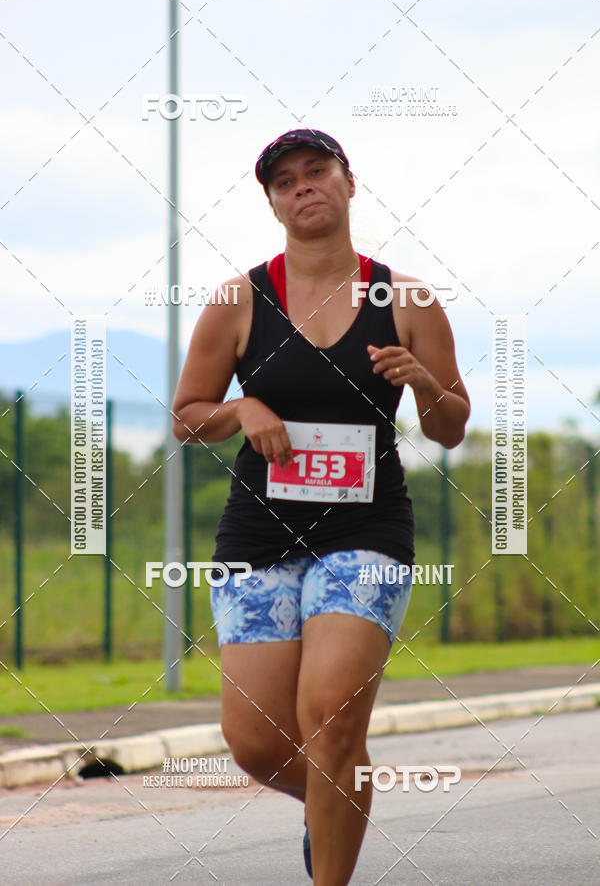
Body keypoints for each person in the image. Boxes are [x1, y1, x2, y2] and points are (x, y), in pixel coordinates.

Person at [172, 129, 470, 885]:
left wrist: (425, 385)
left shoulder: (404, 299)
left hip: (365, 532)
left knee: (332, 717)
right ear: (271, 203)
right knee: (257, 744)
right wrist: (242, 411)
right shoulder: (239, 299)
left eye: (317, 172)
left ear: (348, 184)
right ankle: (336, 801)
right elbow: (187, 414)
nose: (303, 187)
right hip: (259, 535)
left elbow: (451, 426)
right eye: (285, 181)